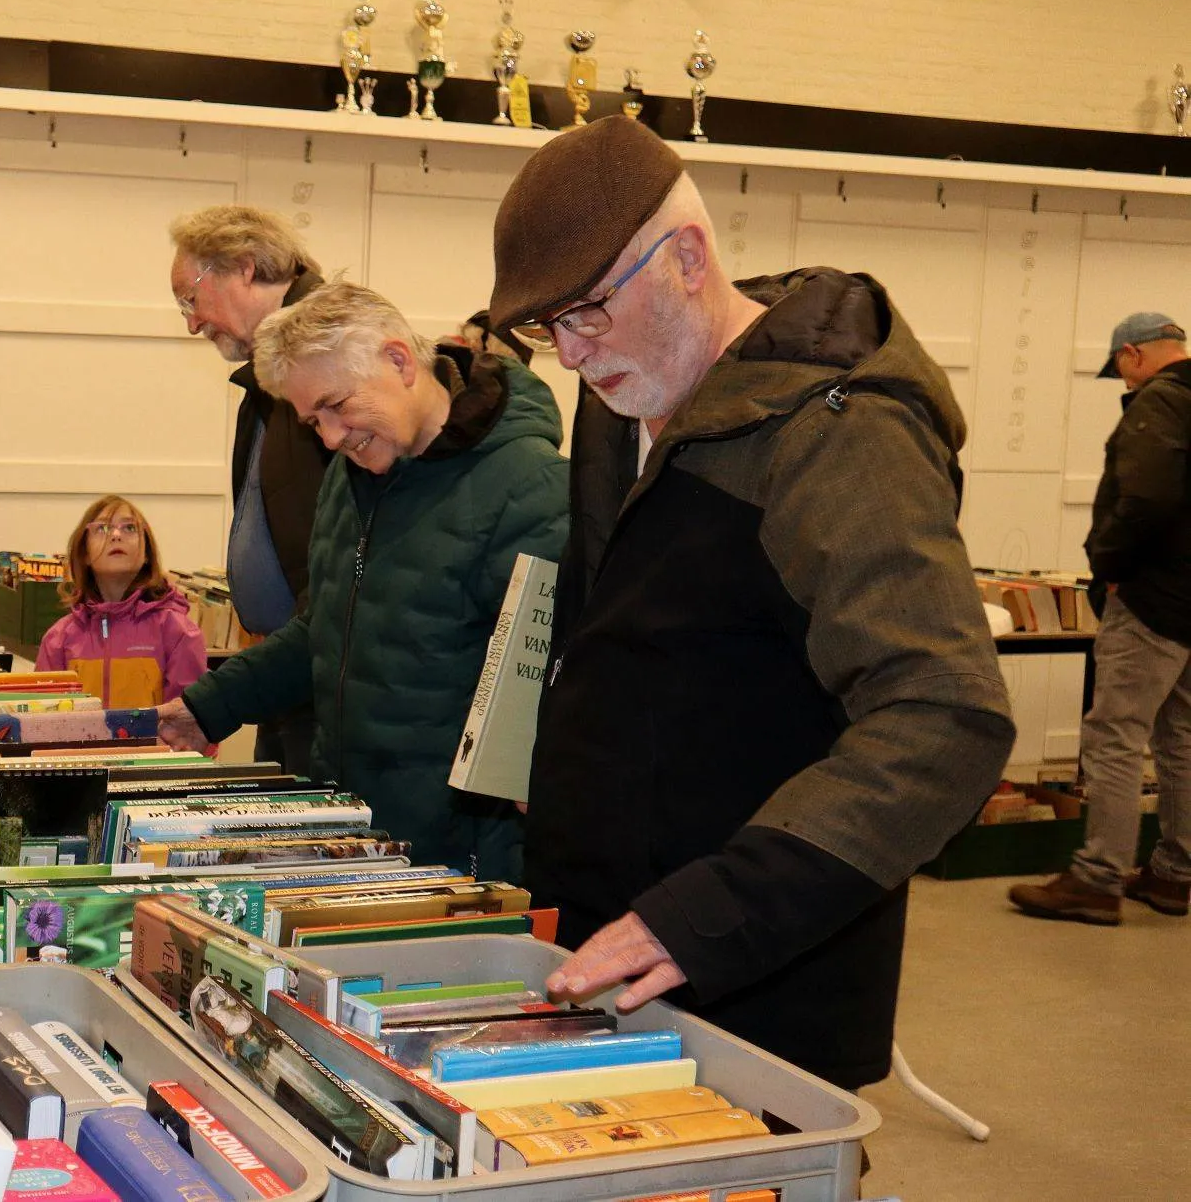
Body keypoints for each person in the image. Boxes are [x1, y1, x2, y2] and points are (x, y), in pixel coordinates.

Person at [492, 116, 1013, 1091]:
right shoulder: (616, 405)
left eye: (586, 312)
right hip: (606, 951)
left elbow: (943, 710)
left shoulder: (840, 430)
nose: (566, 355)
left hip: (753, 983)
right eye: (543, 326)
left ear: (686, 258)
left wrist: (710, 913)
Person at [157, 282, 568, 881]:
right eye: (311, 420)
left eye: (337, 406)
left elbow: (552, 683)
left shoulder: (527, 485)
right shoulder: (354, 477)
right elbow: (329, 627)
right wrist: (210, 706)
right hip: (359, 838)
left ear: (400, 361)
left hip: (462, 862)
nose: (328, 436)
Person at [1009, 311, 1191, 923]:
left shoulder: (1158, 405)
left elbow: (1146, 497)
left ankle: (1097, 878)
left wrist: (1108, 565)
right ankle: (1172, 875)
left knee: (1114, 737)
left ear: (1133, 355)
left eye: (1119, 367)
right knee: (1181, 738)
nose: (1123, 378)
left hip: (1153, 597)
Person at [169, 205, 334, 775]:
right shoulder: (270, 375)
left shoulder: (326, 355)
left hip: (320, 685)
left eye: (190, 298)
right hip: (286, 677)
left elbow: (338, 572)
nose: (191, 322)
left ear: (243, 266)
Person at [36, 496, 207, 707]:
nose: (116, 535)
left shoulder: (178, 632)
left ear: (146, 553)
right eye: (103, 528)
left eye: (129, 528)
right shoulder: (58, 640)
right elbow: (43, 725)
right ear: (85, 554)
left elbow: (192, 727)